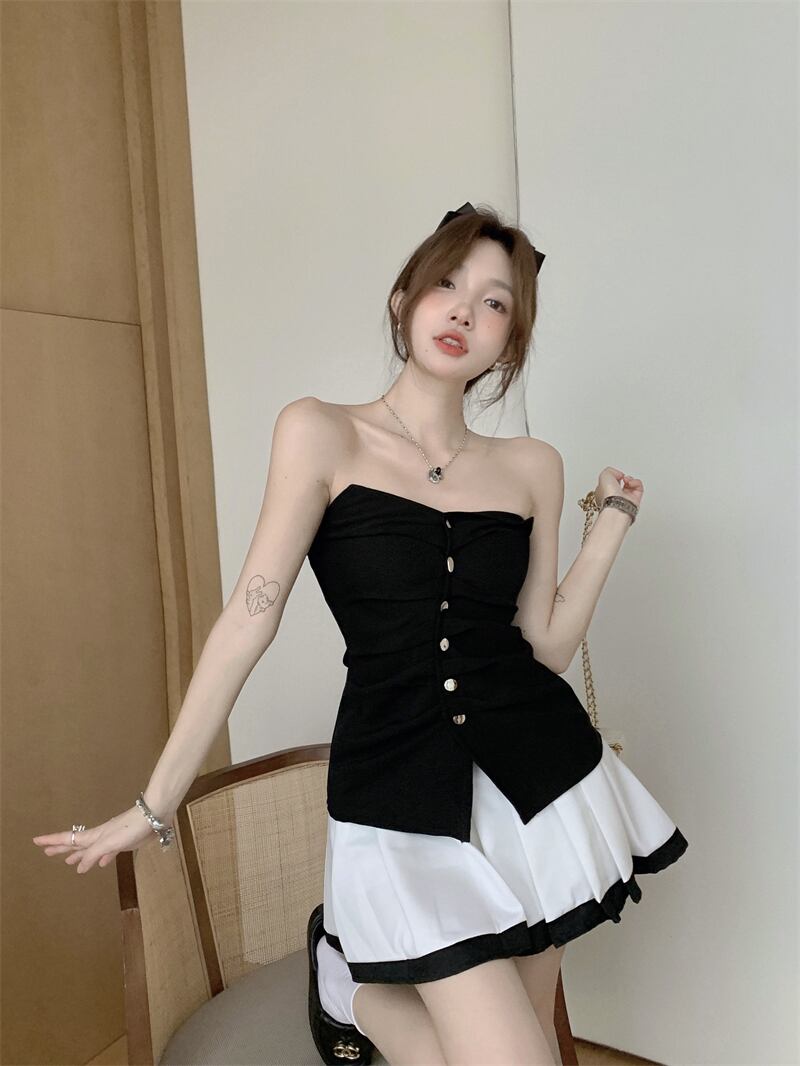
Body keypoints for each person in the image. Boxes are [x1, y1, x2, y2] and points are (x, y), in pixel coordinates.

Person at [33, 202, 688, 1066]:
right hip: (398, 790)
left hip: (542, 778)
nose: (465, 311)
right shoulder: (321, 433)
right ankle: (354, 986)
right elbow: (247, 620)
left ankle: (354, 993)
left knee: (521, 1043)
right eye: (447, 283)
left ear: (510, 343)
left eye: (495, 303)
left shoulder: (533, 466)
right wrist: (154, 806)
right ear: (402, 299)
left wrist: (610, 527)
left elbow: (545, 648)